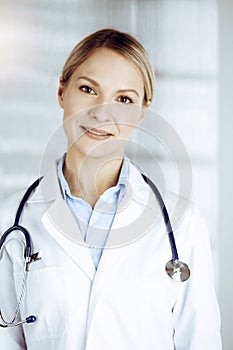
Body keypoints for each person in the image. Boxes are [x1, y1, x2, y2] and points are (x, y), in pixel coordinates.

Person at [0, 28, 221, 349]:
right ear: (62, 90)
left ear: (143, 110)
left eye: (124, 99)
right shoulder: (9, 218)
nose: (102, 112)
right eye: (88, 89)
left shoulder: (182, 222)